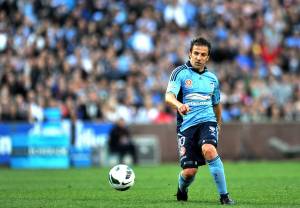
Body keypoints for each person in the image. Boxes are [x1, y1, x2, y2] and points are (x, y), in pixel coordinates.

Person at [165, 37, 234, 205]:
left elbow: (216, 104)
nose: (198, 57)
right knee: (189, 171)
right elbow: (168, 97)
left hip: (207, 121)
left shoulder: (212, 79)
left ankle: (224, 196)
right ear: (190, 54)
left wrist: (218, 124)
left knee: (209, 150)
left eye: (203, 54)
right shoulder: (179, 73)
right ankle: (182, 189)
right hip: (187, 126)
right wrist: (179, 105)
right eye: (196, 53)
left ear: (207, 57)